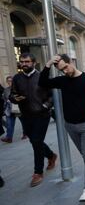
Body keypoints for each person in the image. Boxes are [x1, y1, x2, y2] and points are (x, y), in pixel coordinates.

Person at [39, 54, 85, 203]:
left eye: (66, 67)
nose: (65, 71)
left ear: (72, 62)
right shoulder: (62, 81)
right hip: (70, 126)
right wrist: (48, 64)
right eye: (61, 70)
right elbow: (42, 82)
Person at [10, 53, 57, 187]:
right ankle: (51, 155)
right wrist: (14, 98)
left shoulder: (42, 76)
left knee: (36, 141)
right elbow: (12, 94)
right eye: (22, 62)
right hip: (25, 115)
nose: (24, 64)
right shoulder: (17, 78)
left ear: (34, 63)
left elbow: (52, 95)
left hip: (42, 114)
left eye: (27, 62)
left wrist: (45, 106)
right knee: (34, 140)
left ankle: (38, 172)